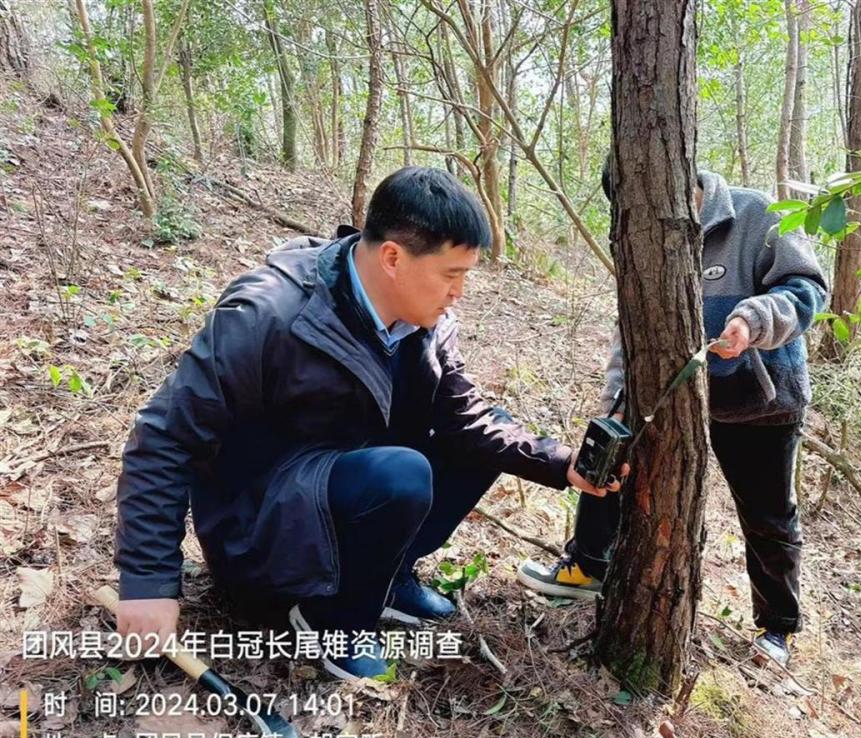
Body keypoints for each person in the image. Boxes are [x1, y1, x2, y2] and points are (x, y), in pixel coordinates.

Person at [114, 166, 619, 681]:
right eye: (451, 275)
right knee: (400, 473)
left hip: (348, 486)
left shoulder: (425, 322)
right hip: (262, 528)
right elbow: (164, 439)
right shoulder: (267, 314)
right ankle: (334, 620)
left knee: (480, 438)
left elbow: (465, 419)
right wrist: (149, 584)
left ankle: (384, 578)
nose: (459, 293)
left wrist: (563, 465)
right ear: (393, 258)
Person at [518, 158, 828, 667]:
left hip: (761, 397)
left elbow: (807, 288)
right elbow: (629, 330)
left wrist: (753, 320)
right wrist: (615, 399)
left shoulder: (756, 214)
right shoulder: (640, 239)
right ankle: (587, 567)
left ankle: (777, 627)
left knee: (767, 513)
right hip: (675, 394)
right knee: (609, 457)